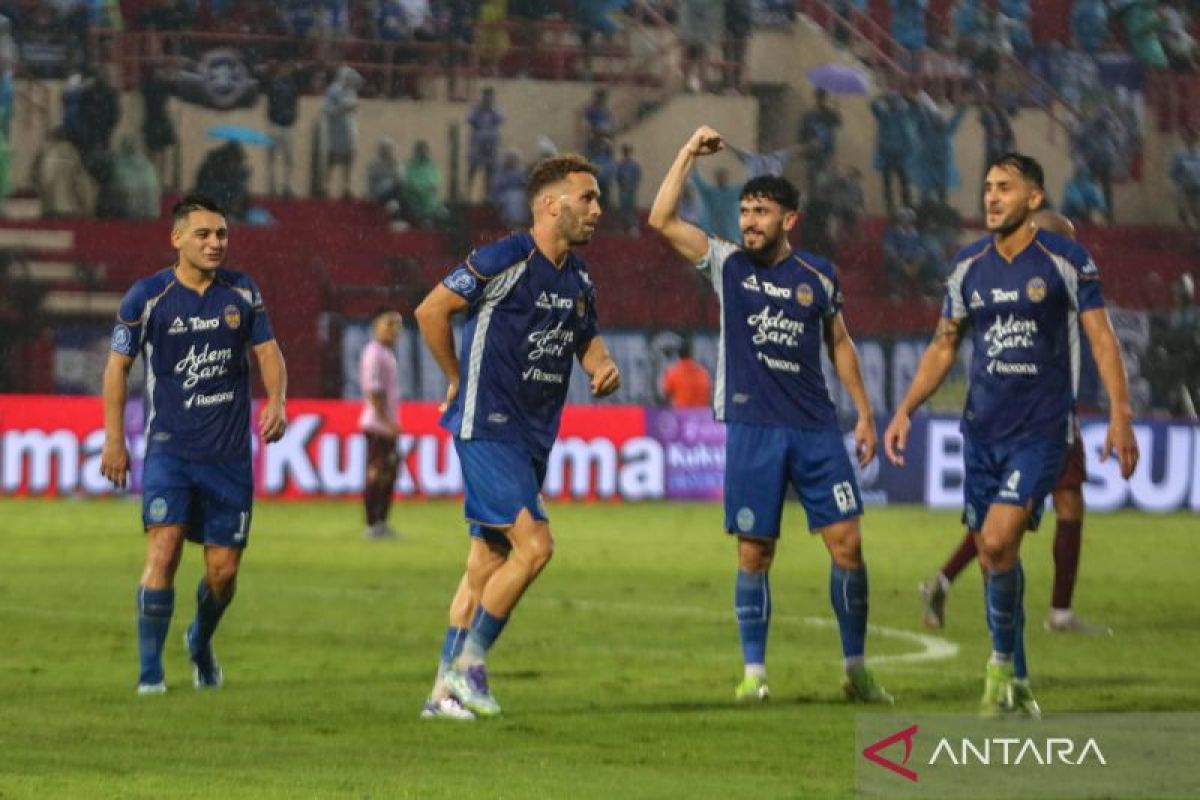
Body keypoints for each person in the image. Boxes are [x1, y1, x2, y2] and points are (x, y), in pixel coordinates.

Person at [883, 153, 1139, 717]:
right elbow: (944, 345)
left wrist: (1120, 414)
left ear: (1034, 199)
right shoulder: (967, 266)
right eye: (988, 187)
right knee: (993, 554)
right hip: (981, 432)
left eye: (1005, 187)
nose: (992, 197)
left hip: (1041, 431)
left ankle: (999, 665)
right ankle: (1016, 677)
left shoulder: (1065, 260)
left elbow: (1101, 339)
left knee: (999, 540)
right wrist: (905, 408)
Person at [648, 126, 892, 705]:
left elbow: (840, 343)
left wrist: (864, 413)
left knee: (848, 544)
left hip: (815, 429)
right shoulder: (727, 265)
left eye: (761, 212)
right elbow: (661, 219)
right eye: (744, 212)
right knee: (754, 552)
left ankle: (856, 670)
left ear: (789, 220)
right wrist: (686, 152)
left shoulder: (817, 277)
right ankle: (754, 673)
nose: (749, 222)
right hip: (753, 429)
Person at [414, 154, 620, 719]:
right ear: (550, 205)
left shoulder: (578, 277)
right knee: (537, 547)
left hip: (532, 439)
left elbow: (587, 337)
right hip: (489, 426)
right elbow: (432, 310)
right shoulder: (505, 257)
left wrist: (602, 364)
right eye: (587, 198)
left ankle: (441, 696)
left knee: (486, 561)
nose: (597, 209)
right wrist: (455, 378)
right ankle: (469, 667)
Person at [100, 194, 288, 694]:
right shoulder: (147, 297)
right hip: (170, 451)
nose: (215, 243)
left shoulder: (241, 291)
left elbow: (268, 351)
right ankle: (150, 676)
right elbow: (117, 368)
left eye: (221, 234)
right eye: (203, 234)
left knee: (222, 574)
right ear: (177, 238)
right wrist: (114, 439)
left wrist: (277, 401)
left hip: (229, 457)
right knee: (163, 551)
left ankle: (200, 640)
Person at [917, 209, 1112, 638]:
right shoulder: (1038, 280)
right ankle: (1043, 622)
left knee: (1020, 518)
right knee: (1009, 523)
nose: (1073, 249)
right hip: (1039, 418)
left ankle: (947, 585)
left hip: (1044, 413)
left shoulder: (1061, 280)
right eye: (1066, 239)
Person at [360, 308, 403, 540]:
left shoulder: (386, 353)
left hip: (386, 425)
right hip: (378, 426)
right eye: (389, 324)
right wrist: (387, 423)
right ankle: (372, 524)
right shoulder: (373, 353)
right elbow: (373, 391)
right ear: (376, 326)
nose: (394, 330)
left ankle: (381, 522)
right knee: (376, 473)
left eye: (398, 325)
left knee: (388, 473)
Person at [660, 337, 712, 408]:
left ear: (679, 355)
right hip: (702, 413)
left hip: (682, 413)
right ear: (691, 354)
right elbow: (709, 394)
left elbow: (665, 396)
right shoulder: (703, 373)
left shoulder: (672, 373)